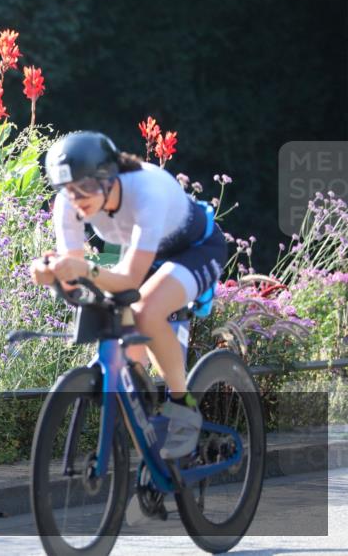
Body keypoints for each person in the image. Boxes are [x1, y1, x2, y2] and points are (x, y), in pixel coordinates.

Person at [30, 131, 227, 459]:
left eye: (85, 186)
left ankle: (184, 405)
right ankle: (150, 451)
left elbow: (129, 280)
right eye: (68, 189)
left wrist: (82, 269)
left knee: (145, 312)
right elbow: (75, 273)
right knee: (125, 360)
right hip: (144, 255)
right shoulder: (69, 202)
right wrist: (51, 273)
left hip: (194, 250)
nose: (77, 198)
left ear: (109, 176)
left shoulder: (147, 190)